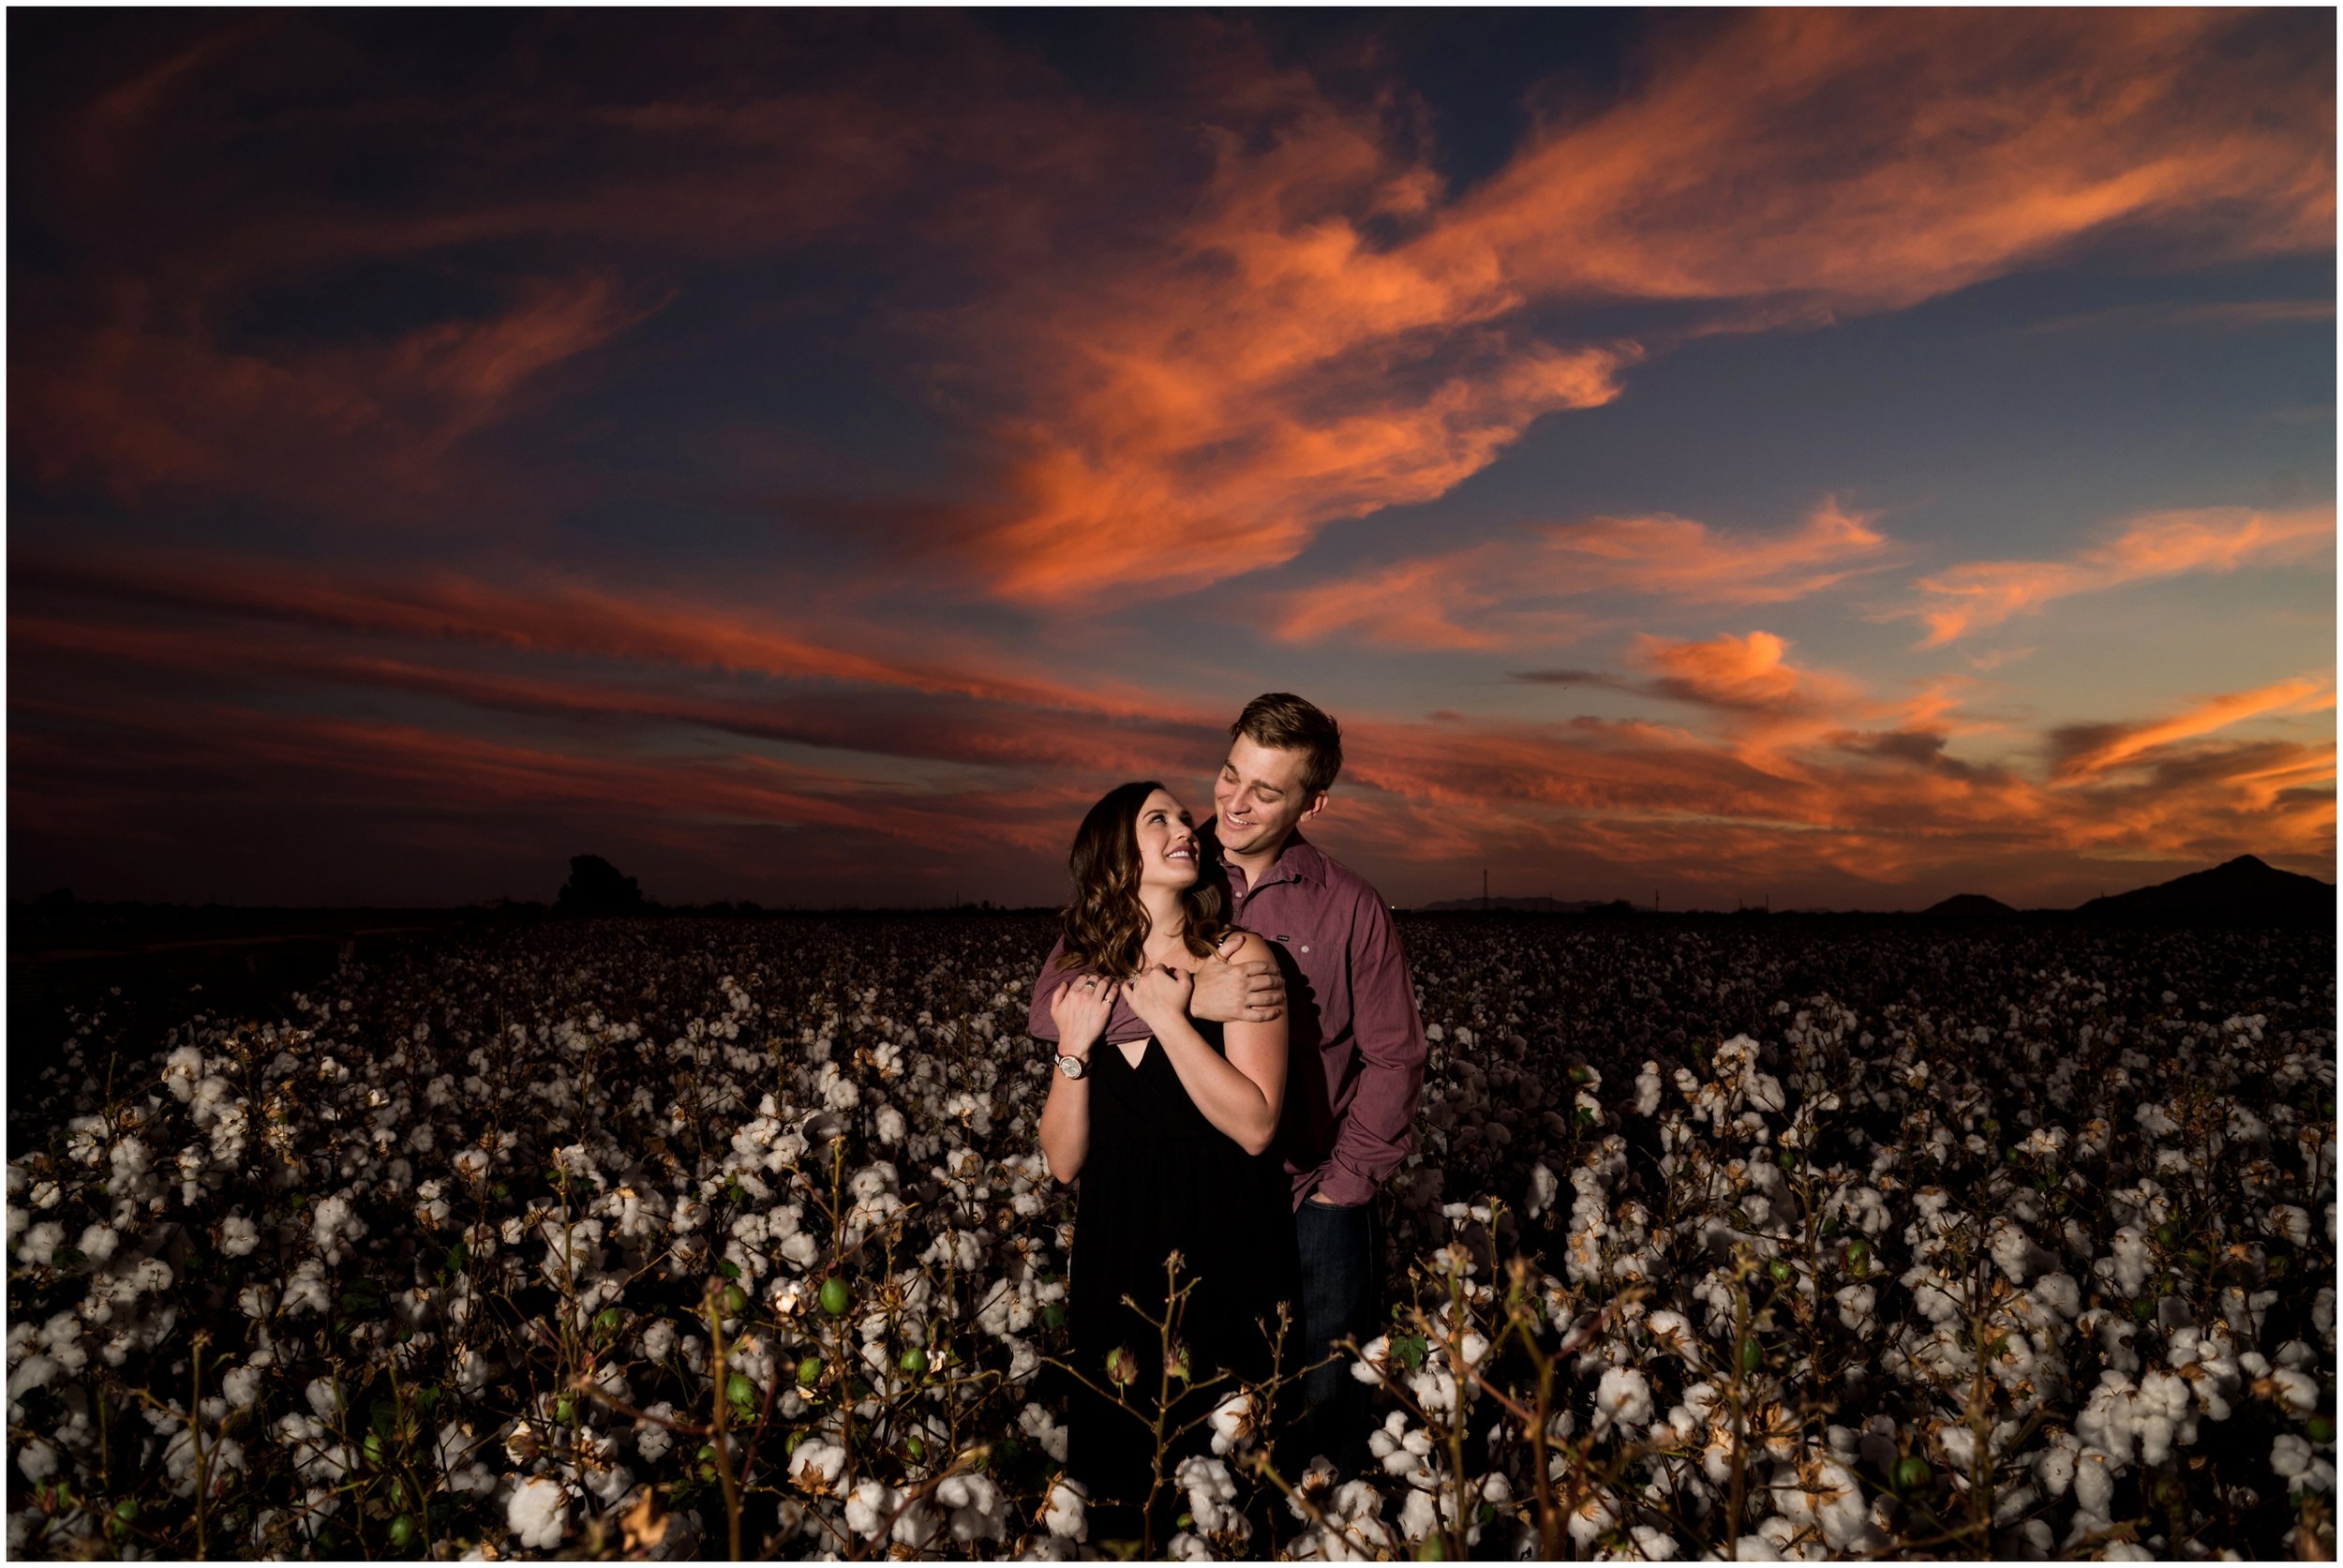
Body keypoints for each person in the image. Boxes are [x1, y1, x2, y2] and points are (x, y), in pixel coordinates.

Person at [1030, 781, 1302, 1543]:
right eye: (1160, 820)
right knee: (1125, 1492)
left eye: (1185, 817)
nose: (1187, 827)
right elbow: (1060, 1159)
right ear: (1116, 857)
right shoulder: (1082, 983)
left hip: (1225, 1242)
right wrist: (1075, 1050)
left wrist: (1168, 1019)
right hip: (1117, 1254)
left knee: (1229, 1492)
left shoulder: (1240, 956)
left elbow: (1255, 1125)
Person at [1202, 693, 1427, 1481]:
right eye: (1230, 773)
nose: (1234, 800)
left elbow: (1395, 1055)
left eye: (1265, 790)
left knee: (1328, 1410)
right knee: (1202, 1418)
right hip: (1193, 1192)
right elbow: (1055, 1004)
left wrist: (1344, 1186)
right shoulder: (1160, 869)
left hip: (1312, 1197)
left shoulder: (1350, 905)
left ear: (1313, 802)